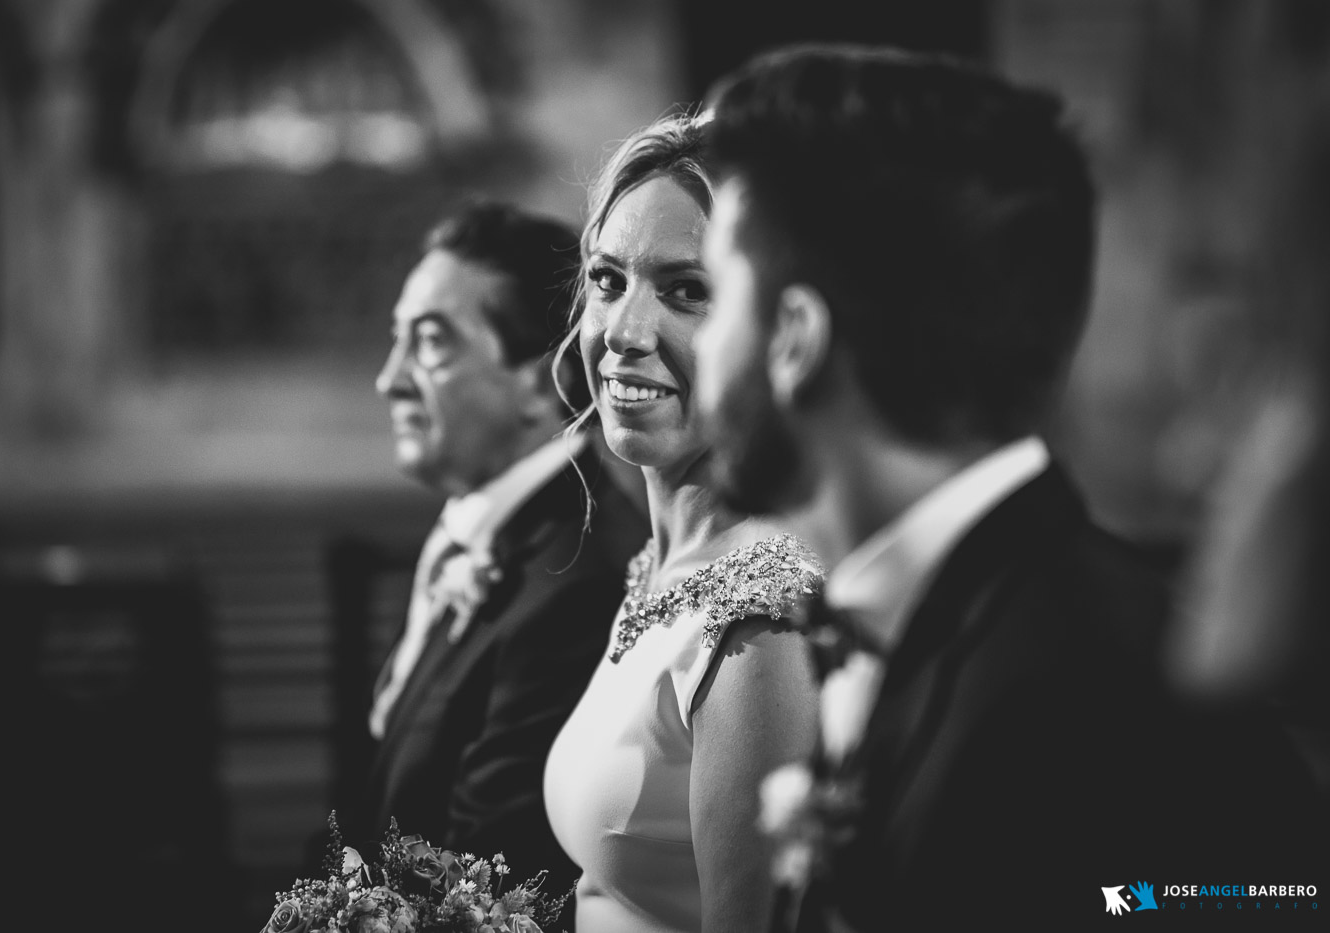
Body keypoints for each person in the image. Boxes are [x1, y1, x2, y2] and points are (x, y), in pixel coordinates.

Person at [693, 45, 1326, 927]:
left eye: (716, 293)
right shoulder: (932, 620)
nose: (697, 349)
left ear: (796, 337)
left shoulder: (1109, 703)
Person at [542, 114, 824, 933]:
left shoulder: (762, 627)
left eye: (688, 290)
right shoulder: (670, 562)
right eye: (606, 280)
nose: (623, 333)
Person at [361, 200, 647, 894]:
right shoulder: (480, 531)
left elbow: (486, 876)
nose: (389, 378)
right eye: (397, 338)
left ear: (537, 377)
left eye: (431, 342)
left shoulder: (574, 576)